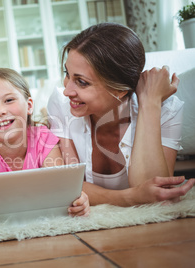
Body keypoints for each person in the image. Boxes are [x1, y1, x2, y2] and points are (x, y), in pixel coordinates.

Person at [47, 22, 195, 207]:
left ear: (119, 90)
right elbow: (68, 186)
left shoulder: (165, 108)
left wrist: (149, 104)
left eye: (82, 82)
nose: (67, 90)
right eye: (67, 74)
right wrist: (131, 197)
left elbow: (156, 195)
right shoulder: (60, 104)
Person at [0, 68, 90, 235]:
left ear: (29, 106)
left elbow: (62, 192)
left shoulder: (44, 138)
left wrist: (79, 202)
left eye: (9, 100)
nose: (0, 111)